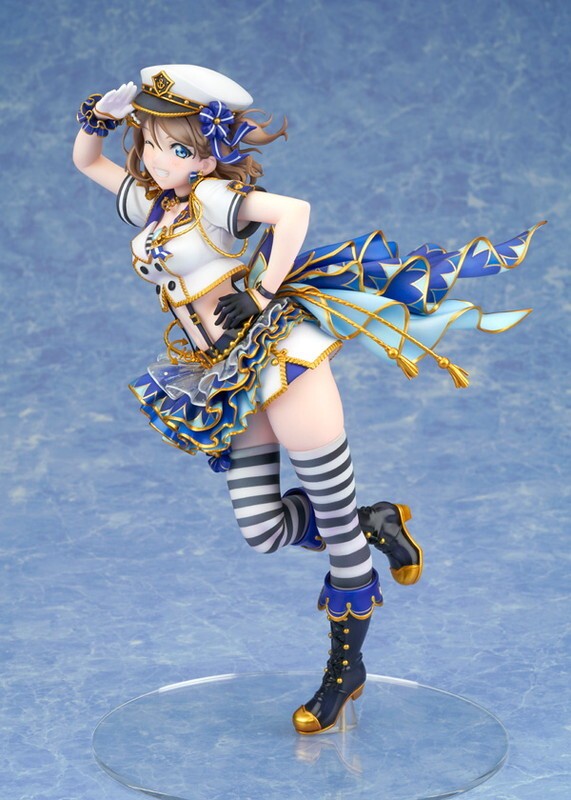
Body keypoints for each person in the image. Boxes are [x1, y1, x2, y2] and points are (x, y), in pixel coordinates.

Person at [73, 64, 543, 735]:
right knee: (261, 529)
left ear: (206, 155)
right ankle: (374, 519)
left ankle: (343, 670)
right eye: (149, 142)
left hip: (282, 359)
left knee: (339, 538)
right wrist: (97, 120)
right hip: (226, 374)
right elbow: (87, 162)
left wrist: (262, 293)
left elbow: (292, 213)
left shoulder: (210, 198)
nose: (156, 157)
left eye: (175, 147)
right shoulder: (156, 206)